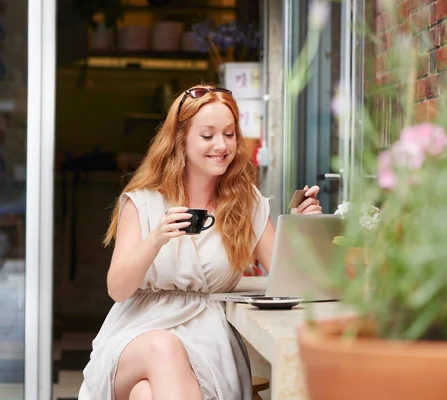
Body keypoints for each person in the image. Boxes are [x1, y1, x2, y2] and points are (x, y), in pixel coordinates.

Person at [78, 85, 322, 400]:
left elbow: (292, 279)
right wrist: (156, 239)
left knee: (145, 395)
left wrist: (302, 229)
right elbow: (118, 289)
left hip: (210, 343)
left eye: (230, 134)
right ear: (180, 140)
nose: (221, 145)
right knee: (163, 347)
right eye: (207, 136)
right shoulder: (142, 202)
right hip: (138, 335)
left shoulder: (246, 205)